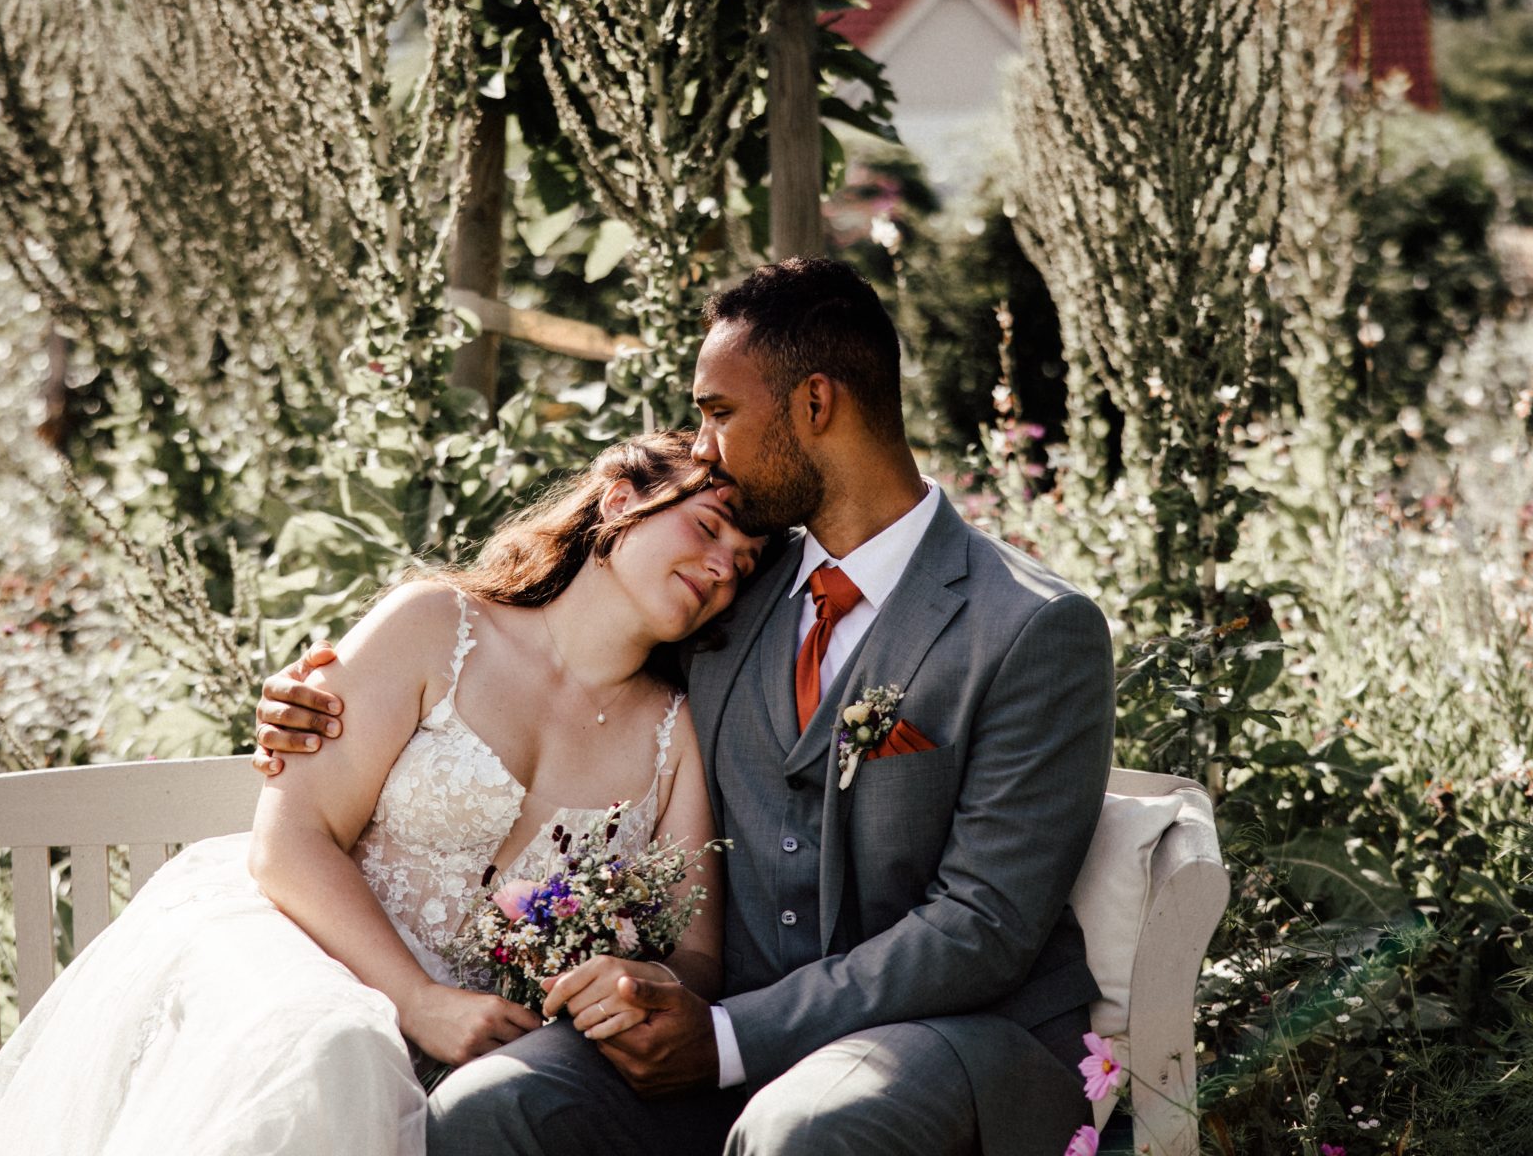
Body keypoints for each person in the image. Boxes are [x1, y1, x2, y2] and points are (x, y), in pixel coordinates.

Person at [255, 257, 1116, 1155]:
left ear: (814, 403)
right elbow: (567, 650)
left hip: (948, 1037)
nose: (703, 449)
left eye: (718, 412)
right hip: (716, 1034)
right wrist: (312, 703)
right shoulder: (734, 592)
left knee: (804, 1131)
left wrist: (731, 1035)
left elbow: (983, 926)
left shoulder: (1029, 627)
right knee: (494, 1104)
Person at [0, 431, 762, 1156]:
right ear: (619, 503)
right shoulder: (437, 627)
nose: (724, 567)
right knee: (336, 1049)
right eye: (707, 527)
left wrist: (624, 984)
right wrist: (418, 1001)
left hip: (493, 1049)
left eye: (746, 563)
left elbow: (696, 958)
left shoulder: (675, 733)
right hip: (312, 954)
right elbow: (291, 838)